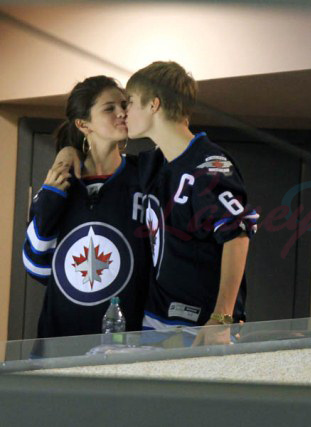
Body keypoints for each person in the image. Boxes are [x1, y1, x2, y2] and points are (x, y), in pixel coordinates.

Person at [125, 61, 258, 345]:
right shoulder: (155, 162)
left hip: (200, 326)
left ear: (154, 105)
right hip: (155, 320)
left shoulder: (209, 164)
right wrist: (69, 151)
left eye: (131, 101)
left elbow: (237, 235)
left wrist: (221, 318)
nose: (125, 111)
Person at [22, 76, 149, 338]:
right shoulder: (60, 183)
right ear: (83, 124)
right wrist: (51, 200)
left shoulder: (145, 175)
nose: (122, 112)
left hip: (130, 340)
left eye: (124, 105)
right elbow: (37, 266)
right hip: (61, 342)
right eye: (109, 108)